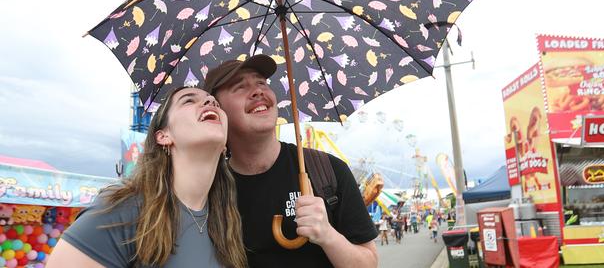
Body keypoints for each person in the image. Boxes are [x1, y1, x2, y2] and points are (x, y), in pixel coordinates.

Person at [205, 54, 378, 267]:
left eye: (261, 82)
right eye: (240, 87)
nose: (258, 90)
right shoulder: (209, 189)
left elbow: (369, 262)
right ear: (217, 111)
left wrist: (328, 235)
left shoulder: (327, 170)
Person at [48, 87, 247, 268]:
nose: (210, 102)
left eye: (215, 103)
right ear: (163, 136)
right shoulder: (122, 210)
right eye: (188, 100)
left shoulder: (227, 220)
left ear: (224, 146)